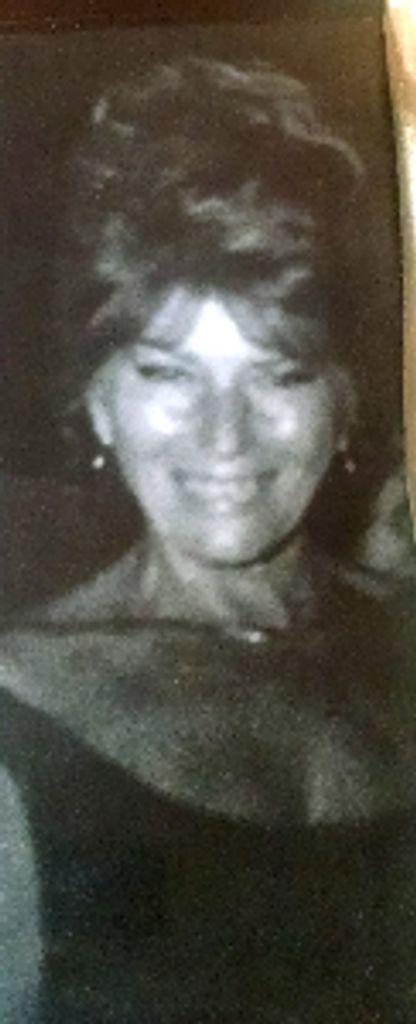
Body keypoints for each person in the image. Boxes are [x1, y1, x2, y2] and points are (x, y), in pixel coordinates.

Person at [1, 57, 416, 1023]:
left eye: (279, 373)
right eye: (167, 373)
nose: (224, 439)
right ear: (97, 401)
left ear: (345, 402)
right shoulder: (20, 717)